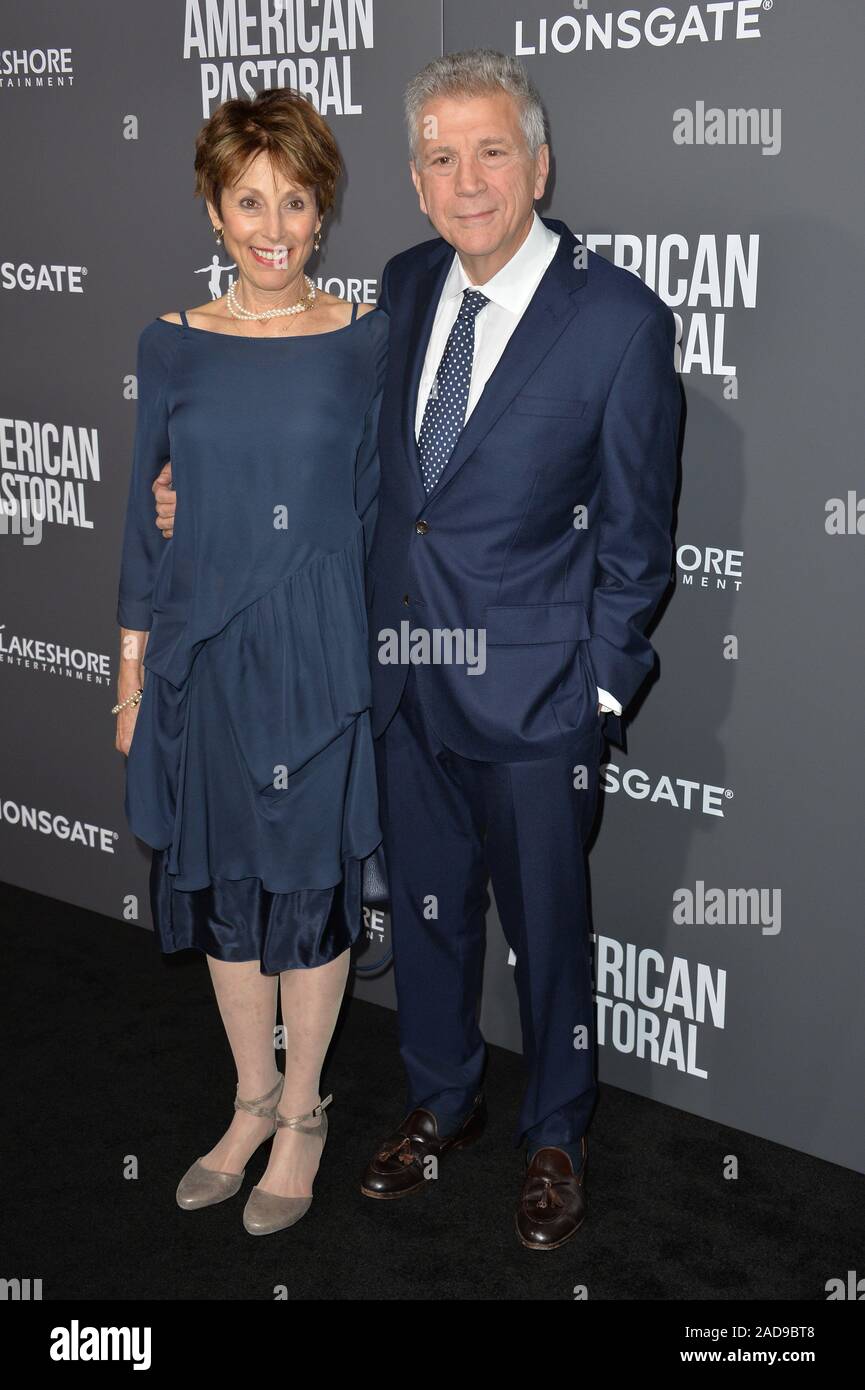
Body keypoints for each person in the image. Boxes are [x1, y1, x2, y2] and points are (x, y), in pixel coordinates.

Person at [152, 50, 681, 1252]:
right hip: (398, 679)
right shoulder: (399, 286)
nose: (467, 177)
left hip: (538, 699)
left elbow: (638, 542)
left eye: (491, 150)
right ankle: (441, 1104)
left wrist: (595, 688)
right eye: (439, 157)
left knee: (547, 932)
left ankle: (555, 1132)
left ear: (538, 163)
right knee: (433, 920)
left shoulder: (618, 321)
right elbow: (347, 468)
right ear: (414, 179)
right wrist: (213, 501)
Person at [114, 88, 387, 1237]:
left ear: (322, 210)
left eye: (295, 199)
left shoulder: (366, 340)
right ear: (215, 212)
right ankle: (250, 1099)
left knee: (309, 895)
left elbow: (379, 512)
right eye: (248, 201)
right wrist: (130, 681)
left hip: (316, 657)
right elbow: (144, 514)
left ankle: (308, 1115)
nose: (273, 225)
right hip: (204, 654)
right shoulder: (169, 344)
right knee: (230, 895)